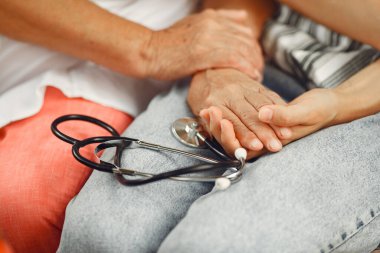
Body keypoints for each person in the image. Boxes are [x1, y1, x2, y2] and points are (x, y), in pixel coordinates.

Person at [57, 0, 380, 253]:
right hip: (264, 57)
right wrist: (224, 64)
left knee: (212, 245)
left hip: (366, 106)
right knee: (101, 233)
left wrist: (340, 104)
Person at [0, 0, 266, 252]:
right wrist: (151, 48)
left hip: (150, 58)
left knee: (26, 200)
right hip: (134, 48)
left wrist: (223, 60)